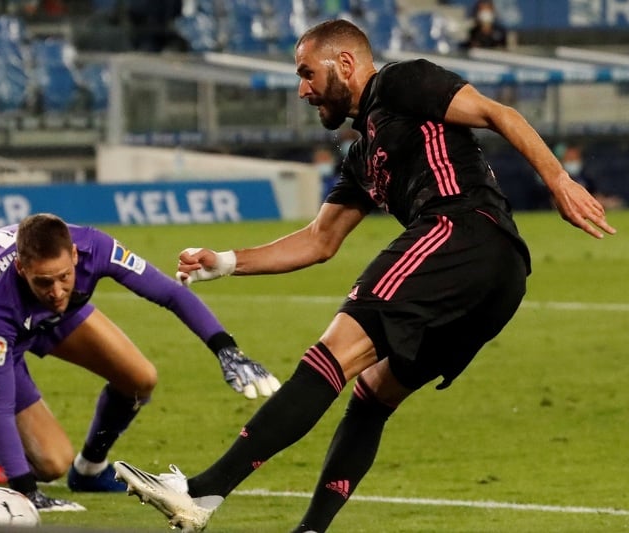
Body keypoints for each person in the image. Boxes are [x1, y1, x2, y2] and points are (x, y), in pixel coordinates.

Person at [113, 18, 616, 533]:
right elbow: (319, 240)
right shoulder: (361, 158)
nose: (302, 90)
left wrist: (558, 181)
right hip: (497, 279)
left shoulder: (401, 83)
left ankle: (201, 492)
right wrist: (224, 261)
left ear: (346, 64)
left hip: (460, 231)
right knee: (372, 395)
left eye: (308, 73)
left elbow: (496, 112)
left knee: (330, 354)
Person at [0, 213, 280, 510]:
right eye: (44, 281)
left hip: (50, 316)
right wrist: (26, 491)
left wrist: (226, 349)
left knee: (140, 379)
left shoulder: (97, 247)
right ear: (21, 269)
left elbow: (171, 294)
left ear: (76, 256)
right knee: (49, 463)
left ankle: (90, 469)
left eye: (64, 276)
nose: (56, 290)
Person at [557, 142, 624, 211]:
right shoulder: (557, 177)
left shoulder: (586, 176)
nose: (572, 161)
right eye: (569, 158)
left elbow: (595, 195)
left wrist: (605, 202)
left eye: (574, 158)